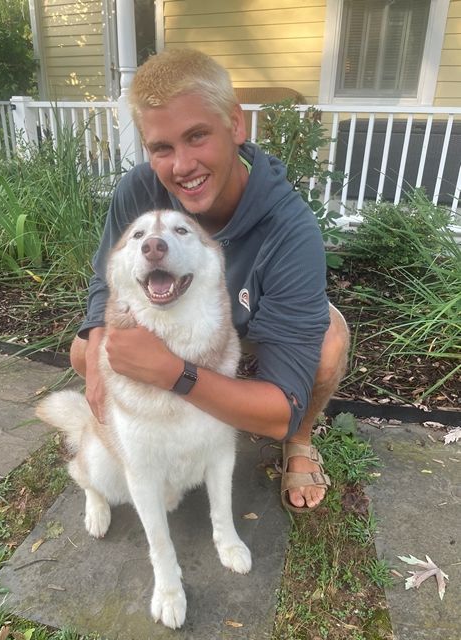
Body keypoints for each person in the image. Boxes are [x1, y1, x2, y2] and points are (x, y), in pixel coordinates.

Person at [70, 49, 349, 513]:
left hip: (254, 324)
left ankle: (301, 444)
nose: (181, 166)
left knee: (329, 344)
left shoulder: (289, 228)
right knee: (85, 352)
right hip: (178, 320)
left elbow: (278, 412)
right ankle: (170, 425)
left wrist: (173, 373)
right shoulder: (139, 190)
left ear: (235, 125)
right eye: (162, 148)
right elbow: (109, 280)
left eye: (197, 136)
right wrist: (101, 353)